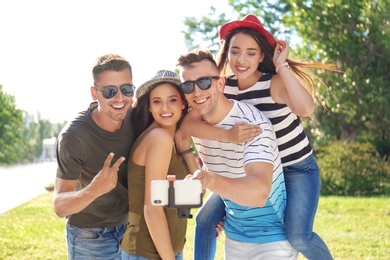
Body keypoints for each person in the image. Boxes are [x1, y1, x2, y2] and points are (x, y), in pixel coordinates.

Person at [183, 14, 335, 260]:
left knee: (297, 235)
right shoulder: (224, 86)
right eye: (235, 51)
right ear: (226, 53)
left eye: (251, 53)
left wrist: (282, 66)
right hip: (253, 170)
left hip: (295, 168)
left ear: (262, 56)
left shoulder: (273, 83)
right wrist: (227, 136)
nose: (241, 60)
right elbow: (188, 124)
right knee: (205, 220)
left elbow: (306, 109)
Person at [177, 49, 298, 259]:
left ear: (221, 83)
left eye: (204, 82)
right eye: (188, 85)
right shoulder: (194, 124)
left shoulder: (251, 125)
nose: (197, 92)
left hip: (273, 240)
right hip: (234, 238)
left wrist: (209, 180)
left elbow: (259, 193)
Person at [54, 54, 135, 260]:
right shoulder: (74, 137)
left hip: (130, 229)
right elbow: (60, 206)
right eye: (109, 91)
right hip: (89, 236)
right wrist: (93, 190)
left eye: (126, 89)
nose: (119, 98)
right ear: (94, 93)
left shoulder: (136, 115)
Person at [119, 70, 193, 260]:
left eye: (172, 100)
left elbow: (196, 192)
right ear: (150, 107)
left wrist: (185, 147)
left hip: (168, 249)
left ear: (183, 103)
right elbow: (152, 209)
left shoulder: (170, 139)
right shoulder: (159, 138)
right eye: (157, 101)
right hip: (149, 253)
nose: (165, 107)